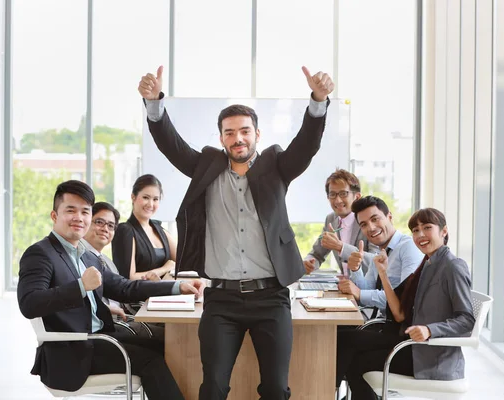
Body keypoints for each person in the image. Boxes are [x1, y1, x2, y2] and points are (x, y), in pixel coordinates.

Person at [138, 64, 334, 399]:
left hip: (270, 298)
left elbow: (306, 145)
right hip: (221, 300)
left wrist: (318, 101)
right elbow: (172, 145)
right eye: (229, 132)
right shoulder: (207, 166)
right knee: (213, 386)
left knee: (275, 388)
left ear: (257, 134)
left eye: (244, 130)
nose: (237, 138)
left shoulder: (276, 166)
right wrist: (154, 103)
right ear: (221, 138)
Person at [17, 180, 203, 399]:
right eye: (71, 210)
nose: (79, 217)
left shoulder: (87, 256)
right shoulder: (40, 254)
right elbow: (29, 303)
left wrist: (177, 287)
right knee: (152, 360)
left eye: (85, 211)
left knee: (170, 344)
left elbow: (125, 288)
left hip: (100, 336)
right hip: (73, 350)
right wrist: (80, 287)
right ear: (54, 216)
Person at [337, 208, 475, 399]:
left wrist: (429, 329)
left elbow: (467, 320)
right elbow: (400, 314)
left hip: (429, 356)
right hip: (409, 343)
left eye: (427, 228)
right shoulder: (427, 264)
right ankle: (323, 391)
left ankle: (322, 391)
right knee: (345, 341)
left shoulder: (453, 266)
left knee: (348, 348)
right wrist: (383, 273)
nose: (420, 235)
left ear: (444, 231)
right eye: (415, 230)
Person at [82, 201, 164, 338]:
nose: (105, 229)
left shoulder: (106, 260)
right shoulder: (80, 257)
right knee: (168, 336)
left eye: (110, 226)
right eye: (99, 222)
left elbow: (124, 290)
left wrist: (156, 286)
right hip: (105, 328)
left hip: (124, 318)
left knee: (168, 329)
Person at [338, 196, 423, 313]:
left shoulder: (409, 247)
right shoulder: (380, 252)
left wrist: (359, 293)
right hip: (380, 323)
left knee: (336, 330)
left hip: (401, 328)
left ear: (389, 217)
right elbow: (366, 291)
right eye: (364, 225)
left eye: (375, 219)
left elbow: (404, 299)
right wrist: (356, 269)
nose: (371, 228)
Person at [303, 168, 376, 275]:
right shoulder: (331, 220)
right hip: (344, 287)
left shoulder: (368, 219)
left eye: (343, 193)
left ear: (357, 197)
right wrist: (308, 262)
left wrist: (341, 247)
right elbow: (317, 254)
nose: (337, 200)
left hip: (368, 288)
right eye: (332, 194)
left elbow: (376, 260)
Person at [112, 174, 177, 281]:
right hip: (140, 297)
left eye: (155, 199)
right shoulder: (125, 231)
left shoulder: (160, 229)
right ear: (133, 197)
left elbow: (184, 262)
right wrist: (164, 269)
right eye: (146, 197)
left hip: (163, 294)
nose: (150, 204)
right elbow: (129, 278)